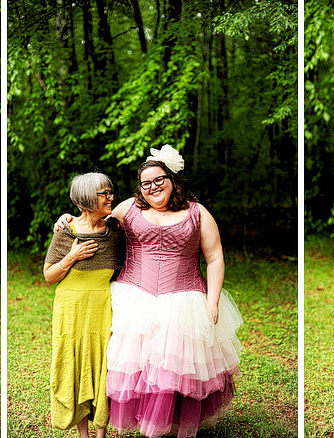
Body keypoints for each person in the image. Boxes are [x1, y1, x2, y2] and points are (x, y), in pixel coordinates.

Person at [57, 145, 243, 437]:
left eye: (159, 180)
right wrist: (66, 219)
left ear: (172, 180)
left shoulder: (198, 213)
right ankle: (144, 419)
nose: (153, 187)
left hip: (184, 299)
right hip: (133, 297)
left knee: (175, 368)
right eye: (146, 183)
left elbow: (216, 258)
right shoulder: (127, 208)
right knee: (135, 364)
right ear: (140, 188)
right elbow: (92, 222)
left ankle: (171, 423)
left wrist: (213, 300)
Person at [43, 172, 125, 438]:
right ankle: (84, 435)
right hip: (71, 308)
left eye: (111, 192)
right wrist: (71, 256)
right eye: (105, 193)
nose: (111, 197)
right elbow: (48, 275)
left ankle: (100, 433)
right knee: (75, 365)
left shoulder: (115, 230)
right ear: (89, 197)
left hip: (103, 306)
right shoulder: (67, 231)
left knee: (103, 364)